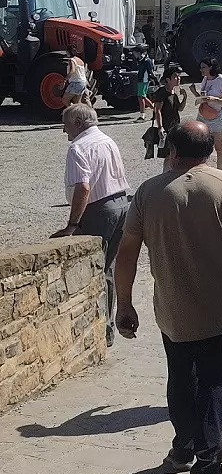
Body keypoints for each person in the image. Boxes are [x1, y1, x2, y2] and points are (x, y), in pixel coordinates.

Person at [113, 122, 222, 474]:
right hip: (220, 307)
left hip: (173, 309)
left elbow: (127, 253)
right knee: (214, 382)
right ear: (209, 148)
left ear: (171, 150)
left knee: (181, 378)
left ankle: (185, 445)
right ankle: (209, 466)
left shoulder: (149, 193)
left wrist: (124, 303)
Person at [52, 104, 130, 347]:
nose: (64, 131)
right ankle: (107, 327)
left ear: (77, 123)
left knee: (95, 269)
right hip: (121, 204)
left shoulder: (78, 147)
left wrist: (73, 223)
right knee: (108, 269)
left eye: (65, 124)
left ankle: (100, 328)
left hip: (100, 210)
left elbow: (83, 187)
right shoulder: (107, 139)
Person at [190, 57, 222, 170]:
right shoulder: (205, 80)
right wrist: (194, 92)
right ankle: (203, 169)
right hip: (203, 116)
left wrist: (213, 99)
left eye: (203, 67)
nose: (201, 70)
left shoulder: (221, 80)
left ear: (211, 67)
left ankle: (220, 171)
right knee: (201, 145)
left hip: (216, 118)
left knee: (218, 147)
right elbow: (203, 98)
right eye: (201, 67)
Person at [151, 64, 187, 160]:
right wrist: (160, 127)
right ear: (168, 79)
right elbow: (157, 110)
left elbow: (180, 108)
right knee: (168, 155)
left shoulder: (173, 93)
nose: (178, 78)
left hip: (175, 127)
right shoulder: (162, 92)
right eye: (175, 77)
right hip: (166, 128)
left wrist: (185, 97)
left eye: (179, 76)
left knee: (175, 154)